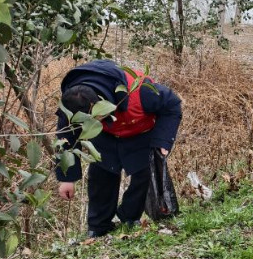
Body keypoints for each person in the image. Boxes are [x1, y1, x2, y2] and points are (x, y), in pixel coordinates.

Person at [55, 60, 182, 238]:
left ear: (101, 103)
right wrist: (67, 178)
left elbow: (172, 105)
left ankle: (129, 219)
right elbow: (66, 139)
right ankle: (98, 228)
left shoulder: (141, 92)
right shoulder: (71, 105)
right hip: (105, 135)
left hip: (141, 132)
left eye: (95, 116)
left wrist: (162, 141)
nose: (90, 122)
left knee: (143, 175)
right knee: (101, 178)